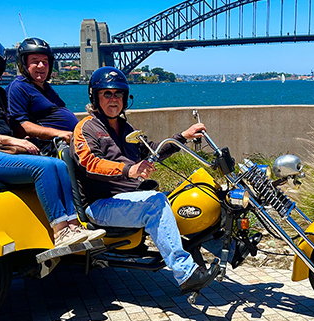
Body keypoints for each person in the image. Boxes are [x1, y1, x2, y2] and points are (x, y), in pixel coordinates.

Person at [70, 66, 221, 295]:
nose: (113, 99)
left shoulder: (126, 128)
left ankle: (224, 249)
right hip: (100, 204)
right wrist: (129, 170)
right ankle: (186, 273)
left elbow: (152, 152)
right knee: (155, 203)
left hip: (127, 198)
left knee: (191, 195)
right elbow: (90, 164)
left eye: (118, 94)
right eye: (107, 94)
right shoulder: (87, 128)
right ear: (95, 97)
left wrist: (183, 137)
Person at [0, 34, 104, 247]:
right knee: (44, 168)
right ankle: (60, 231)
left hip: (0, 154)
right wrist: (12, 140)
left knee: (59, 164)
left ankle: (73, 225)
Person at [6, 37, 79, 153]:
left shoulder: (45, 87)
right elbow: (19, 127)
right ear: (24, 64)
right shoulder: (18, 87)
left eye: (45, 62)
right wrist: (59, 133)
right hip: (53, 148)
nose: (41, 66)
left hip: (73, 141)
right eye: (35, 61)